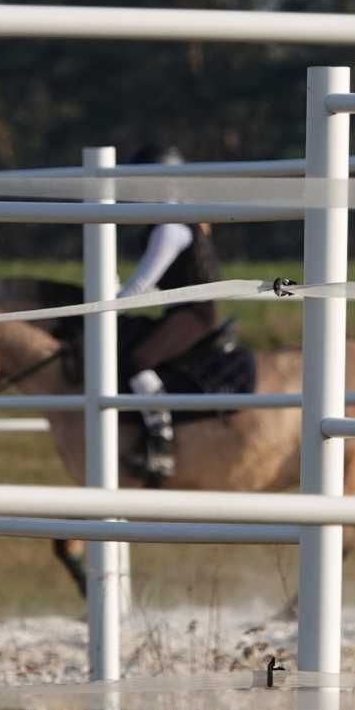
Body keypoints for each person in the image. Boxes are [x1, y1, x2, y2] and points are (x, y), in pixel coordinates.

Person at [116, 145, 223, 479]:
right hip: (185, 311)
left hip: (192, 315)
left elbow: (142, 284)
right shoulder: (180, 219)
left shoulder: (169, 227)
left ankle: (160, 441)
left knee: (138, 359)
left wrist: (106, 308)